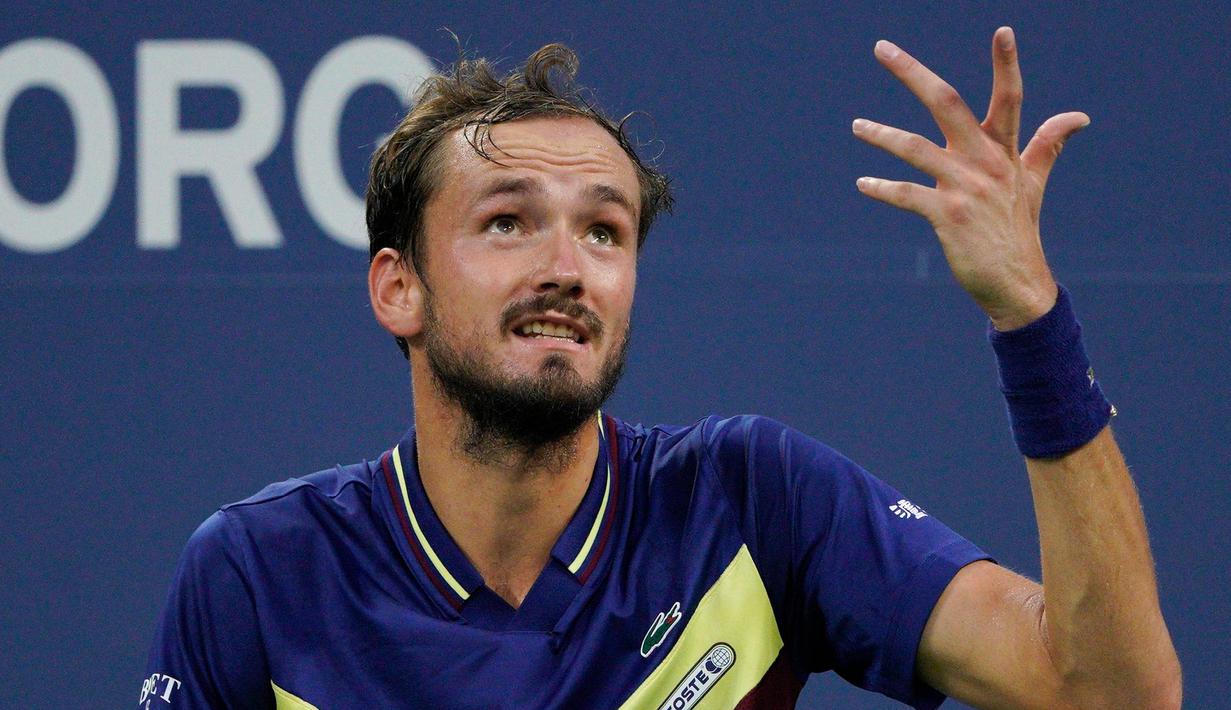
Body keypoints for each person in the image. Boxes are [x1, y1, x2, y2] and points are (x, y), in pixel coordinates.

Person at [142, 28, 1181, 709]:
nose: (565, 268)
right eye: (507, 222)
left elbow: (1112, 693)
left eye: (604, 231)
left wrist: (1028, 317)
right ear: (397, 288)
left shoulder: (750, 498)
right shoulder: (257, 574)